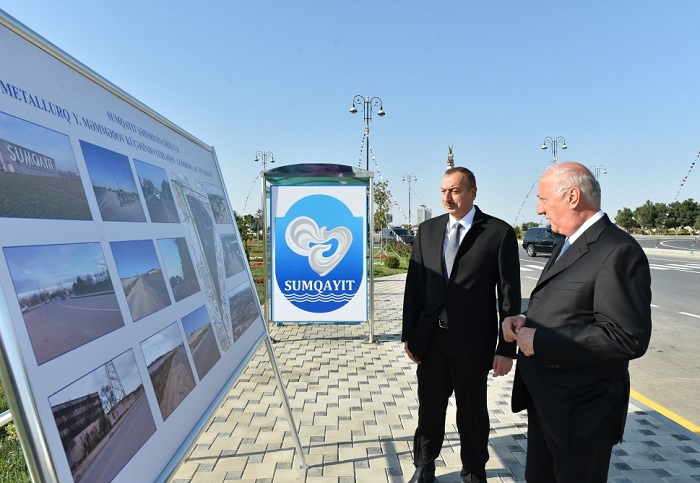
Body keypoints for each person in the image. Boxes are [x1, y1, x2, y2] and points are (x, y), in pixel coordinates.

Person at [502, 162, 652, 482]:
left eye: (543, 199)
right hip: (548, 403)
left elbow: (626, 336)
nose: (539, 209)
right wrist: (525, 320)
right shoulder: (566, 243)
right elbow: (570, 308)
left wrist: (539, 340)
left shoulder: (617, 250)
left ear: (572, 197)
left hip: (582, 414)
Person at [402, 167, 521, 483]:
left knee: (472, 413)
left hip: (473, 342)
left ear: (473, 192)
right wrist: (409, 336)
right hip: (432, 341)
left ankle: (473, 470)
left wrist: (506, 348)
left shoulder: (497, 233)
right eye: (443, 191)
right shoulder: (427, 231)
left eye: (454, 190)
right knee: (429, 410)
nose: (447, 198)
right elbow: (414, 287)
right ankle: (424, 467)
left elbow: (509, 295)